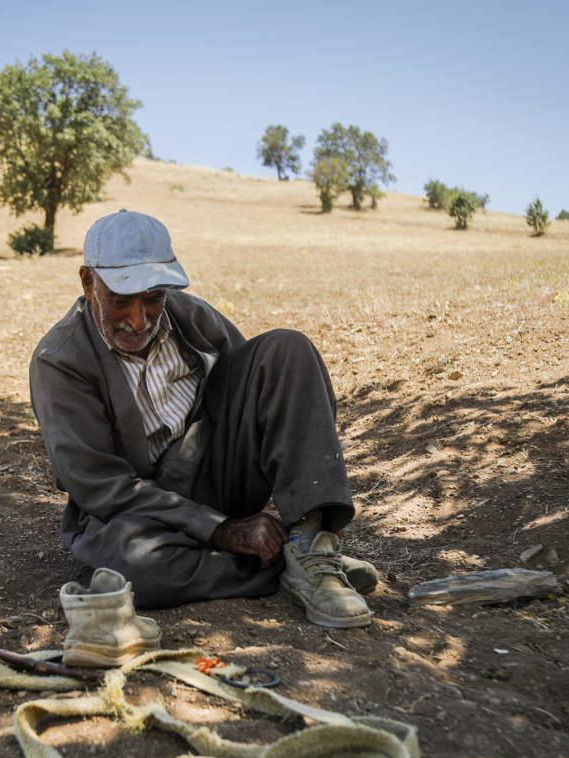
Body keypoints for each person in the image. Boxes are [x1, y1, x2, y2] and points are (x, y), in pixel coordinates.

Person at [30, 209, 378, 629]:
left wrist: (285, 494)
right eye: (121, 299)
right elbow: (102, 488)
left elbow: (262, 391)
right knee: (138, 570)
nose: (138, 320)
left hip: (214, 470)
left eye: (153, 297)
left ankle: (308, 541)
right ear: (89, 283)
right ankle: (293, 565)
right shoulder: (59, 362)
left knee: (288, 351)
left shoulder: (189, 317)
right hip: (136, 508)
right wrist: (221, 530)